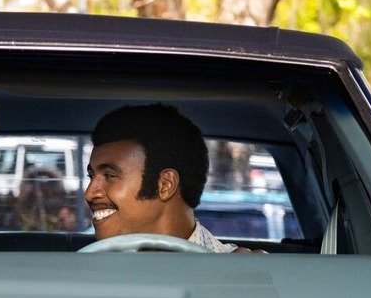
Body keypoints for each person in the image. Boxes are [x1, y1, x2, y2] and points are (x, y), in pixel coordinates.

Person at [85, 103, 261, 253]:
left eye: (110, 175)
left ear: (165, 185)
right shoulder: (77, 275)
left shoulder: (245, 274)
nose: (89, 193)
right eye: (91, 176)